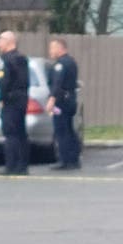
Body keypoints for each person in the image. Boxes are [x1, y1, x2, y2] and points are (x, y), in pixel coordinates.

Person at [0, 31, 30, 176]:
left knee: (10, 133)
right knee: (21, 133)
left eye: (1, 40)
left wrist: (2, 99)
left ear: (9, 42)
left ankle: (11, 165)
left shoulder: (7, 60)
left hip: (10, 100)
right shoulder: (22, 59)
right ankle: (22, 165)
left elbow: (4, 82)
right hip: (21, 99)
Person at [46, 38, 82, 170]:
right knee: (69, 129)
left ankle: (65, 160)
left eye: (52, 48)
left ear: (60, 48)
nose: (50, 51)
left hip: (61, 103)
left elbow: (57, 83)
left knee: (61, 129)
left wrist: (52, 99)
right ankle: (74, 158)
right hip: (70, 99)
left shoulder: (60, 64)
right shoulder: (71, 62)